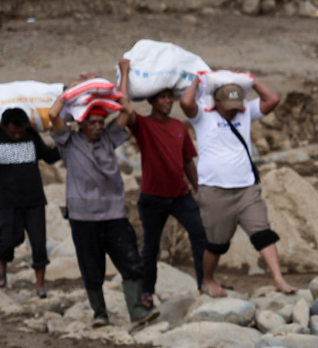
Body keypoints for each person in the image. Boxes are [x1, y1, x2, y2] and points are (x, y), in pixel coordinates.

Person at [48, 86, 157, 328]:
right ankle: (100, 314)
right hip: (82, 217)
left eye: (101, 121)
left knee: (130, 261)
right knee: (91, 266)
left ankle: (138, 311)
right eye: (93, 122)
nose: (98, 126)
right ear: (80, 123)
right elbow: (54, 116)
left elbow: (128, 111)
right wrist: (71, 94)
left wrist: (108, 91)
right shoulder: (69, 142)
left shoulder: (109, 139)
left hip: (114, 215)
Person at [179, 74, 296, 295]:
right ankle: (208, 280)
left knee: (263, 233)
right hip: (214, 190)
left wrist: (252, 81)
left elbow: (273, 99)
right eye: (229, 105)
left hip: (246, 189)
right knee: (216, 243)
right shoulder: (203, 115)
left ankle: (279, 280)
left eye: (237, 104)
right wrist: (197, 81)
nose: (234, 110)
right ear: (217, 102)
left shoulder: (245, 113)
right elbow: (185, 102)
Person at [116, 58, 216, 305]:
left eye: (170, 97)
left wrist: (200, 192)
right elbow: (125, 108)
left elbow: (188, 163)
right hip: (153, 198)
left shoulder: (179, 126)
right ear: (151, 100)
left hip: (181, 195)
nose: (168, 101)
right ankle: (146, 292)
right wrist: (125, 72)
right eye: (162, 97)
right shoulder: (144, 125)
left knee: (200, 235)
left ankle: (205, 284)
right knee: (151, 248)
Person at [0, 107, 60, 298]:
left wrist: (65, 142)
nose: (17, 135)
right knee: (6, 240)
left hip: (34, 201)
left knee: (39, 244)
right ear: (3, 126)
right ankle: (2, 272)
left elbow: (50, 157)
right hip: (6, 201)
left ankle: (40, 286)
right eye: (13, 132)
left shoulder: (32, 136)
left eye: (21, 131)